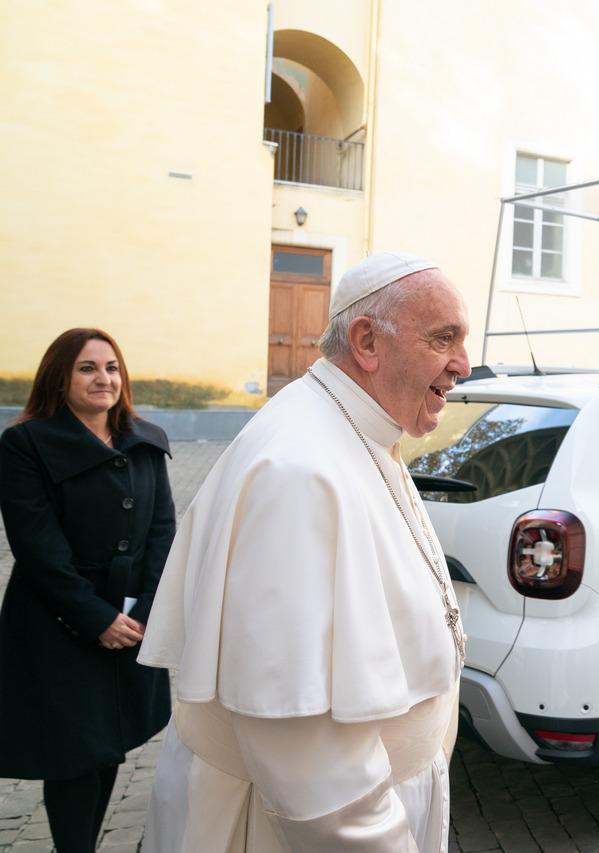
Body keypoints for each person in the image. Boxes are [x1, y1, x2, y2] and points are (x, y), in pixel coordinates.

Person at [138, 251, 471, 852]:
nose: (463, 365)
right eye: (443, 338)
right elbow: (304, 753)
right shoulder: (298, 470)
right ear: (367, 342)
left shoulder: (358, 431)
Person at [0, 328, 175, 853]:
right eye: (87, 368)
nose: (104, 379)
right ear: (60, 376)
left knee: (110, 746)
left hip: (130, 622)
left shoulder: (144, 440)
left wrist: (143, 610)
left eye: (112, 368)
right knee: (72, 752)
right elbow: (37, 548)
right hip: (58, 625)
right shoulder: (25, 445)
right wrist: (95, 618)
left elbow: (163, 533)